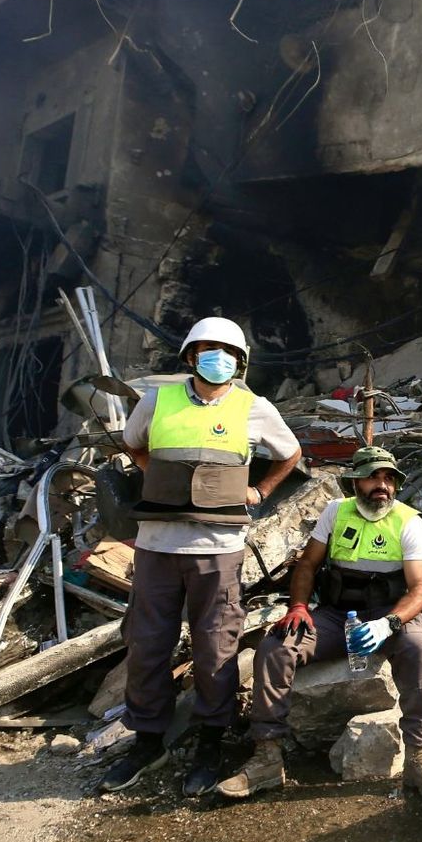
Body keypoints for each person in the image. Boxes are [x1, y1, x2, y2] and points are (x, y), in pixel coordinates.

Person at [101, 317, 302, 796]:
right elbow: (133, 443)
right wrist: (162, 481)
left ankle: (210, 743)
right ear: (190, 356)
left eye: (227, 351)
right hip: (157, 546)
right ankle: (148, 742)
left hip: (219, 550)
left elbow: (290, 453)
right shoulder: (158, 399)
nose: (218, 357)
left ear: (240, 362)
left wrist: (260, 490)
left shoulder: (254, 407)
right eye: (208, 348)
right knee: (147, 645)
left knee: (216, 649)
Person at [216, 445, 422, 800]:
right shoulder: (335, 513)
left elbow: (420, 590)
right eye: (373, 476)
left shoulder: (408, 521)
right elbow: (307, 565)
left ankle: (419, 756)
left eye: (388, 478)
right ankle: (266, 757)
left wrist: (388, 623)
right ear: (355, 481)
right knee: (276, 647)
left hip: (391, 613)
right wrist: (297, 607)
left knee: (417, 645)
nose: (382, 485)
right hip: (337, 614)